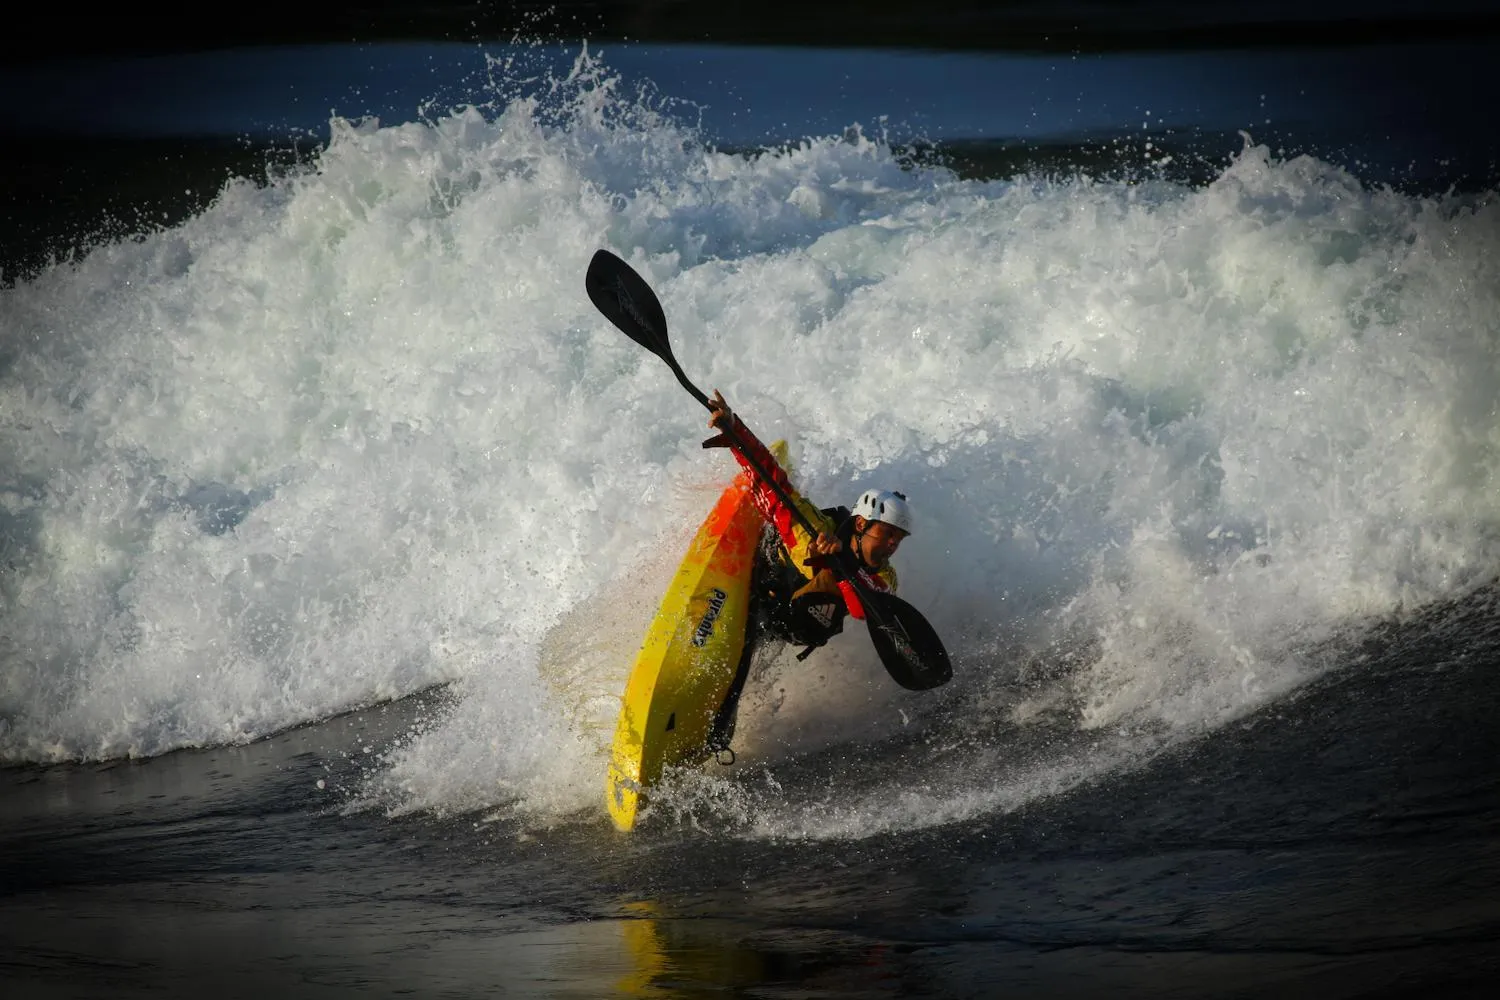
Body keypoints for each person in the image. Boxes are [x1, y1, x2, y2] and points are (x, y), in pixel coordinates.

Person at [702, 389, 913, 756]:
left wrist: (839, 568)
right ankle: (717, 725)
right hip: (765, 589)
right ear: (861, 525)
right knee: (749, 630)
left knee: (764, 635)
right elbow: (771, 482)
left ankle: (717, 737)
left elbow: (865, 611)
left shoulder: (886, 578)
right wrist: (736, 431)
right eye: (888, 534)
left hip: (798, 624)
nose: (893, 545)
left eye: (899, 539)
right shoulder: (809, 530)